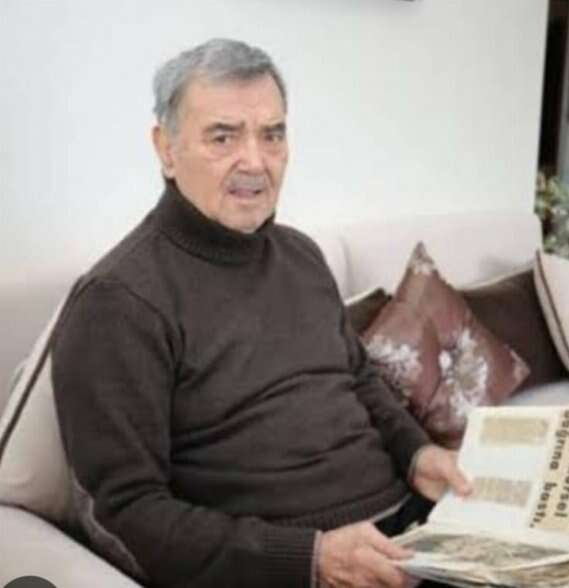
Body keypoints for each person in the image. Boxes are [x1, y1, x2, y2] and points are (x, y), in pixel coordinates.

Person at [51, 38, 470, 588]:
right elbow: (125, 513)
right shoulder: (117, 303)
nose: (255, 161)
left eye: (272, 135)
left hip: (413, 535)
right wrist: (310, 559)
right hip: (296, 569)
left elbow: (360, 381)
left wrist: (418, 455)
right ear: (166, 149)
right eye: (223, 137)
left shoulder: (302, 256)